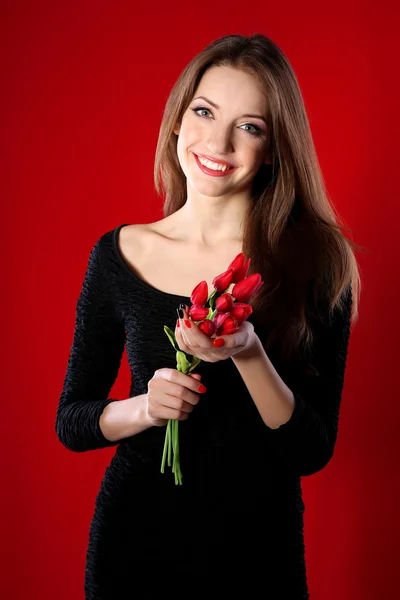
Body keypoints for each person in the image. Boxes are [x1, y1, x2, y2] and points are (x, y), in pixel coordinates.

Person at [55, 33, 362, 599]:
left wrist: (248, 353)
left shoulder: (317, 263)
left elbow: (311, 450)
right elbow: (72, 422)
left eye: (250, 126)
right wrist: (146, 407)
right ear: (177, 119)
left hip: (256, 553)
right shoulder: (120, 253)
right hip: (134, 546)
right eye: (204, 111)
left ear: (273, 148)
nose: (217, 141)